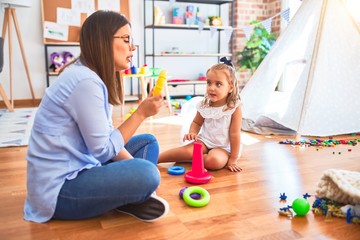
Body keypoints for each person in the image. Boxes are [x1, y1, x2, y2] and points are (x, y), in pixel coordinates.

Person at [24, 11, 169, 223]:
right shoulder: (85, 82)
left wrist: (131, 171)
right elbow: (102, 150)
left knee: (148, 143)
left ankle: (127, 196)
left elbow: (107, 137)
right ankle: (128, 195)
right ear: (103, 40)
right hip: (60, 191)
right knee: (148, 173)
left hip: (84, 165)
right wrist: (140, 113)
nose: (133, 47)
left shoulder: (89, 76)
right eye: (126, 39)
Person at [158, 57, 243, 172]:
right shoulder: (205, 105)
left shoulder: (234, 108)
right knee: (186, 151)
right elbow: (197, 122)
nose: (211, 88)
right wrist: (192, 132)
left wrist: (233, 158)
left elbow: (235, 135)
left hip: (222, 147)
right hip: (205, 141)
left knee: (214, 161)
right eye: (209, 83)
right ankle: (155, 158)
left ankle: (197, 159)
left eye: (218, 84)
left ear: (230, 87)